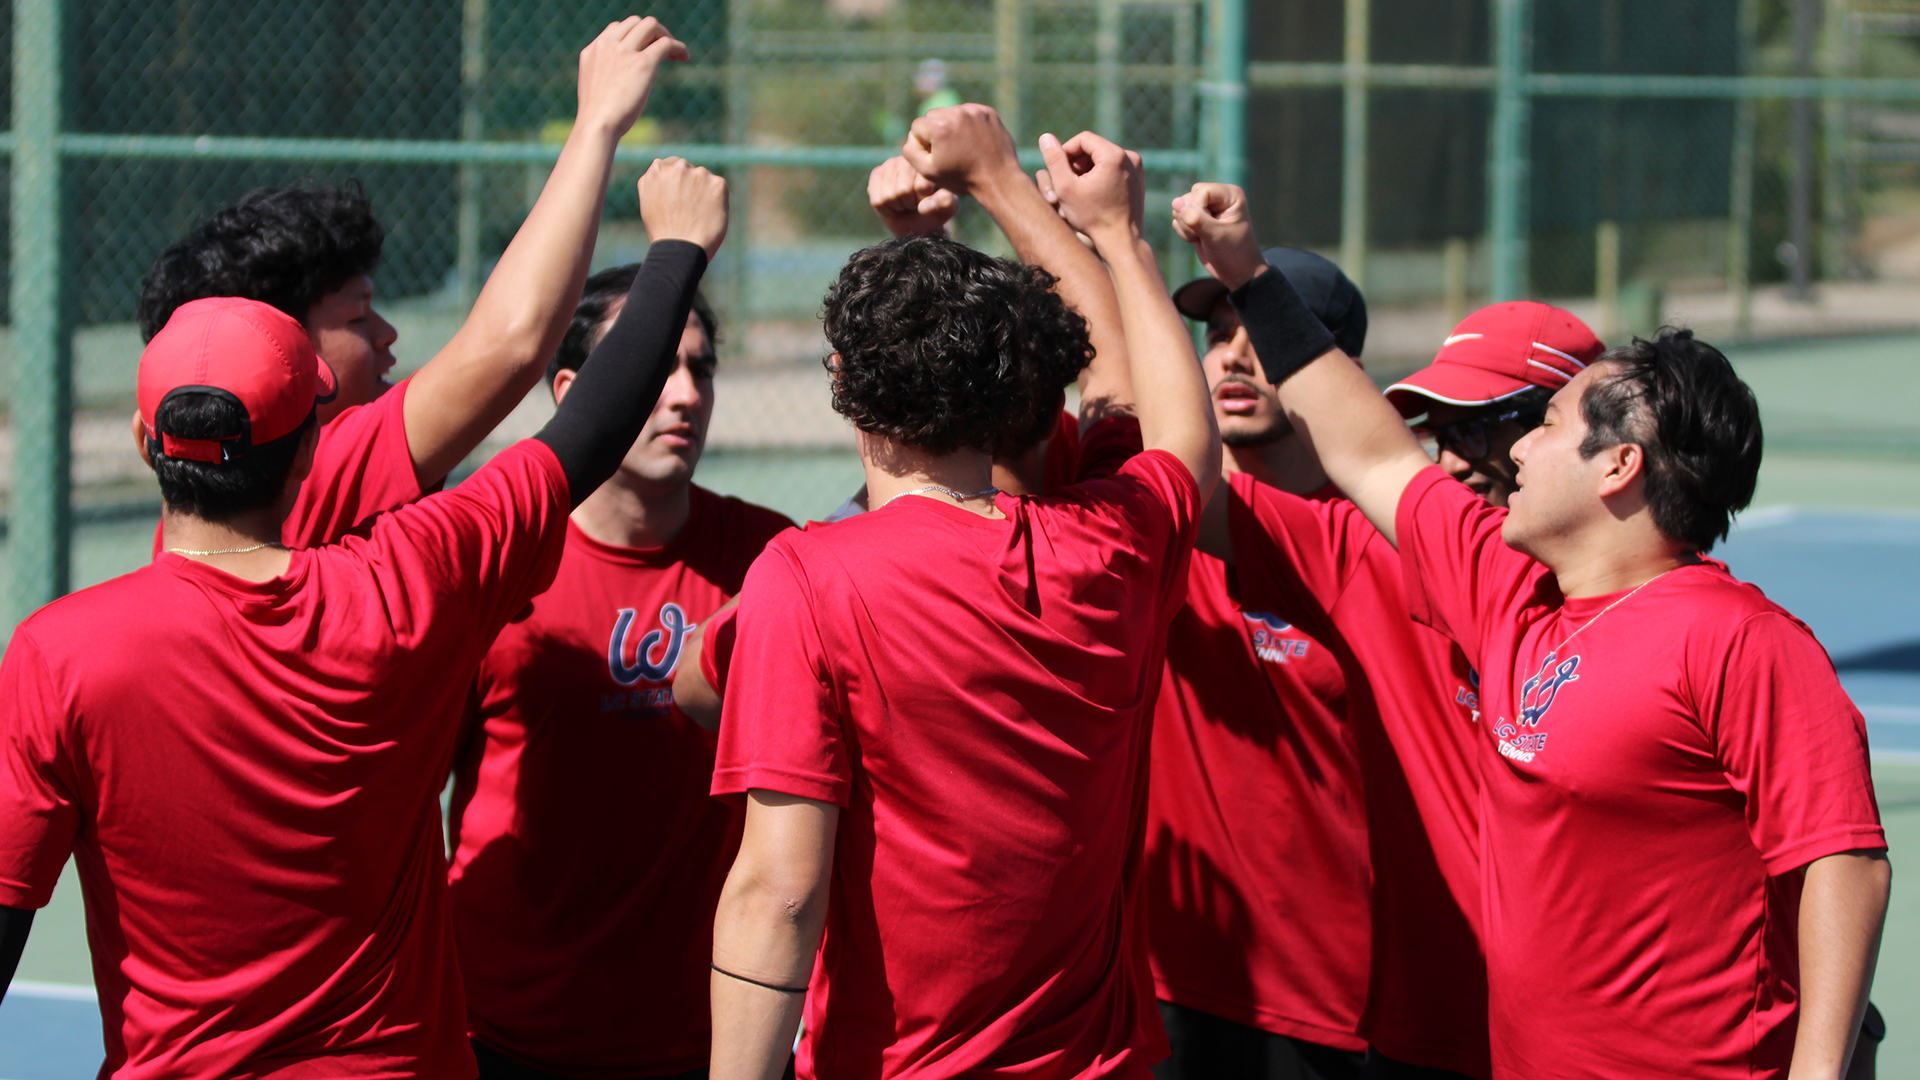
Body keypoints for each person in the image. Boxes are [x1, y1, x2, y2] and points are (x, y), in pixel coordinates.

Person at [0, 130, 728, 1080]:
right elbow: (585, 432)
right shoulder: (413, 579)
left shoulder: (62, 652)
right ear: (314, 447)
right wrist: (673, 252)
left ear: (147, 438)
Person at [1172, 180, 1891, 1080]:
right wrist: (1244, 270)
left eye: (1543, 425)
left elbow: (1843, 861)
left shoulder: (1743, 641)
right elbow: (1370, 449)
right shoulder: (1506, 593)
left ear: (1619, 466)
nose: (1511, 452)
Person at [705, 131, 1219, 1079]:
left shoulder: (806, 579)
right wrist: (1120, 237)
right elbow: (1160, 418)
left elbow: (778, 893)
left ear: (842, 382)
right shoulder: (1112, 546)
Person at [1191, 288, 1606, 1080]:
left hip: (1585, 1047)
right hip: (1420, 1038)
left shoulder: (1684, 623)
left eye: (1480, 427)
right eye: (1435, 432)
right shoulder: (1372, 561)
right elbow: (1173, 473)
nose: (1450, 459)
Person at [133, 16, 686, 548]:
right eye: (356, 316)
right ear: (277, 349)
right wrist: (597, 125)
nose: (386, 334)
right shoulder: (308, 476)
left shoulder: (191, 513)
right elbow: (511, 344)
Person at [445, 268, 794, 1080]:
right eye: (655, 368)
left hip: (706, 1039)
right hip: (505, 1032)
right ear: (574, 392)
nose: (683, 395)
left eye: (700, 369)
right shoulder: (495, 569)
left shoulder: (772, 560)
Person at [1143, 246, 1374, 1080]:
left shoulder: (1377, 549)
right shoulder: (1155, 516)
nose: (1233, 355)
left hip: (1333, 1005)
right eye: (1215, 332)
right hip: (1161, 980)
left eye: (1259, 331)